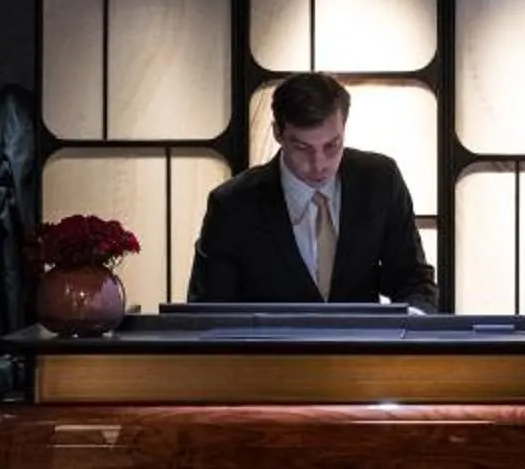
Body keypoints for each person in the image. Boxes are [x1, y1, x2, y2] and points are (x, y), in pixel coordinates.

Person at [186, 71, 437, 307]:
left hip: (362, 351)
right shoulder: (233, 205)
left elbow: (413, 280)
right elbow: (208, 310)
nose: (319, 164)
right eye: (302, 148)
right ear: (278, 133)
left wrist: (410, 330)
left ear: (344, 129)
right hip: (268, 352)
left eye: (332, 145)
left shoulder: (380, 181)